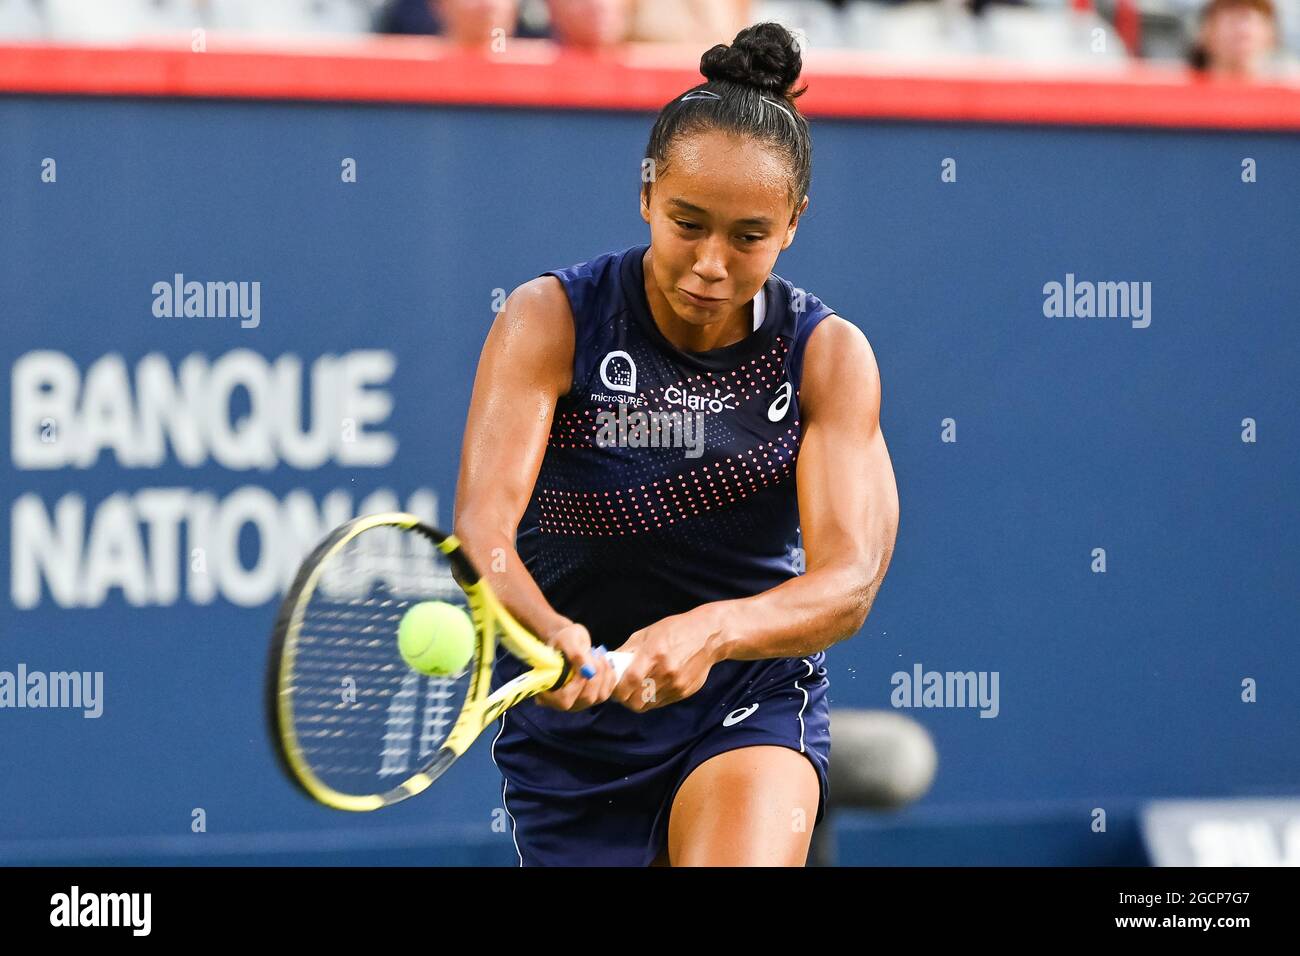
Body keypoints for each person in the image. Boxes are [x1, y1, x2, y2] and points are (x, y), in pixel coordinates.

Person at [452, 21, 899, 866]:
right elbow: (484, 536)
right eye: (687, 223)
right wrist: (553, 633)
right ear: (647, 194)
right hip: (573, 735)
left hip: (747, 698)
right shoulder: (548, 319)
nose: (711, 264)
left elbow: (849, 584)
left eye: (748, 236)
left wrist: (716, 631)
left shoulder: (828, 356)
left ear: (794, 223)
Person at [1188, 0, 1280, 78]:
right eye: (1232, 20)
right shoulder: (1179, 86)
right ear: (1206, 32)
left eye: (1251, 20)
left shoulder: (1288, 88)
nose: (1242, 29)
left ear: (1271, 35)